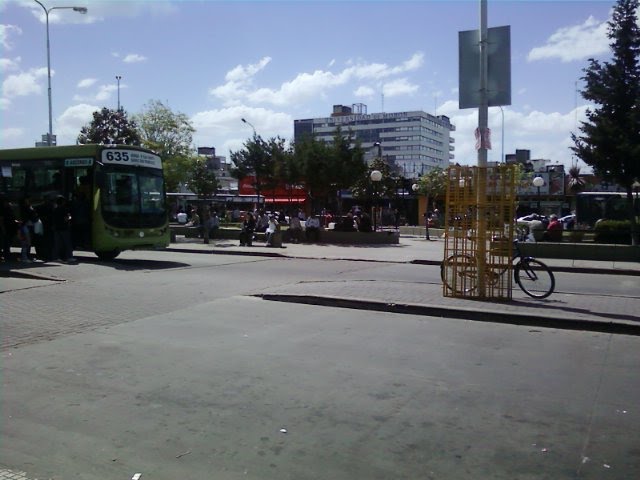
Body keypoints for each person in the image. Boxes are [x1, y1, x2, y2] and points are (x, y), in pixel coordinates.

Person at [52, 196, 76, 263]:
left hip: (56, 228)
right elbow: (66, 219)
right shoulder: (64, 209)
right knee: (67, 243)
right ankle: (69, 257)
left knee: (57, 244)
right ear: (63, 202)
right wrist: (70, 218)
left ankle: (56, 257)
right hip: (64, 228)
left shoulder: (55, 209)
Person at [18, 197, 39, 262]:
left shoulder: (26, 208)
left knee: (27, 243)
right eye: (27, 200)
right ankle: (24, 257)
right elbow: (30, 216)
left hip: (27, 226)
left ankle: (25, 257)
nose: (28, 201)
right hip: (25, 226)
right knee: (26, 243)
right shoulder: (26, 208)